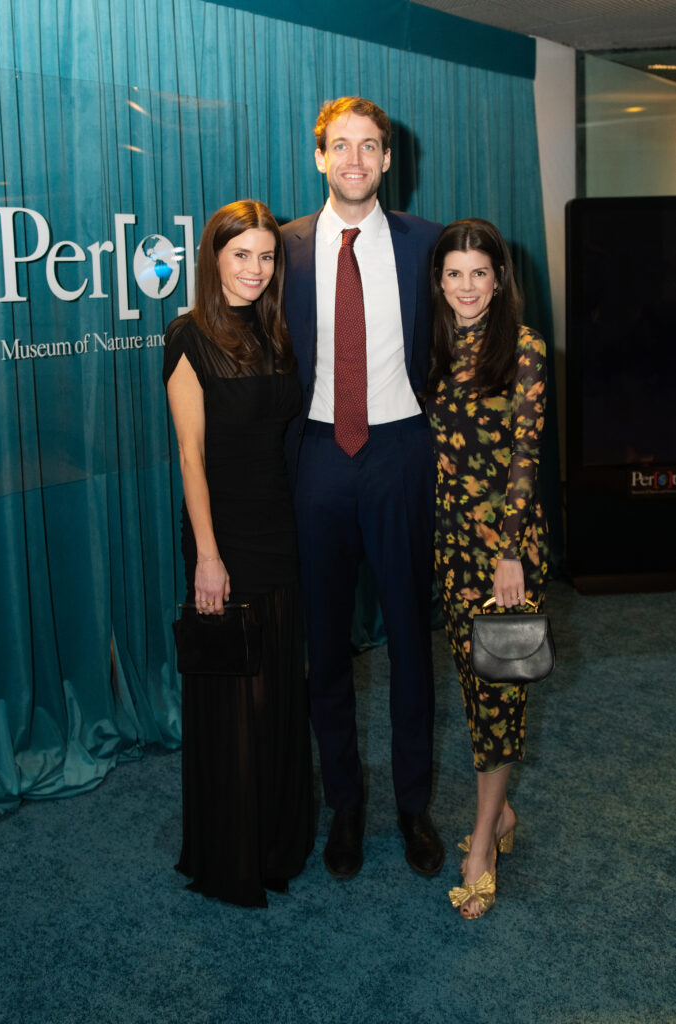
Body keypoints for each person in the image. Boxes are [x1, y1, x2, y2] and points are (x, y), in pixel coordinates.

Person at [281, 96, 444, 880]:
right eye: (339, 146)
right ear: (319, 157)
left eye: (368, 146)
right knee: (325, 644)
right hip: (316, 458)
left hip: (401, 453)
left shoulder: (427, 245)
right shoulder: (278, 249)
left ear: (388, 160)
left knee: (412, 638)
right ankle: (345, 802)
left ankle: (413, 803)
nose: (353, 159)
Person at [163, 200, 314, 908]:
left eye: (265, 256)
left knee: (280, 686)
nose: (255, 270)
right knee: (235, 695)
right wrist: (208, 558)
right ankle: (234, 855)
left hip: (279, 527)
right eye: (240, 255)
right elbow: (191, 457)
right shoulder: (188, 338)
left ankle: (279, 842)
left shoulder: (275, 332)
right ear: (213, 258)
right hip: (223, 537)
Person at [426, 218, 549, 919]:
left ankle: (478, 845)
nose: (466, 287)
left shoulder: (523, 348)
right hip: (450, 551)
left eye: (478, 273)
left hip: (504, 553)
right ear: (438, 282)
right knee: (473, 692)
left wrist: (509, 553)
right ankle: (498, 817)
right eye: (453, 274)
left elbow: (526, 459)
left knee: (501, 693)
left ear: (499, 278)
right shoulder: (436, 348)